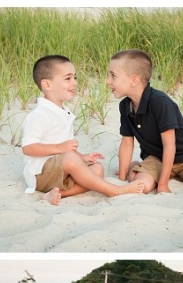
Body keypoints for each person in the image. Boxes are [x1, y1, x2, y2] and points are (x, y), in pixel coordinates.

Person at [22, 55, 145, 205]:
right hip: (40, 173)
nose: (74, 83)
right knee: (72, 158)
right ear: (47, 85)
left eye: (75, 78)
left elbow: (64, 152)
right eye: (68, 79)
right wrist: (62, 149)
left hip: (59, 170)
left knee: (98, 169)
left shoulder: (62, 111)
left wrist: (82, 157)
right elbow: (28, 148)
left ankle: (57, 194)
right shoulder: (40, 114)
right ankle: (114, 190)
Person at [108, 49, 183, 193]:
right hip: (156, 159)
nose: (107, 81)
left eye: (113, 76)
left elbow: (169, 144)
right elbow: (127, 143)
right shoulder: (125, 105)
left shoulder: (160, 102)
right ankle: (135, 168)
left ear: (134, 80)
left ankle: (166, 173)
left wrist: (163, 185)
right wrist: (122, 179)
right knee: (142, 186)